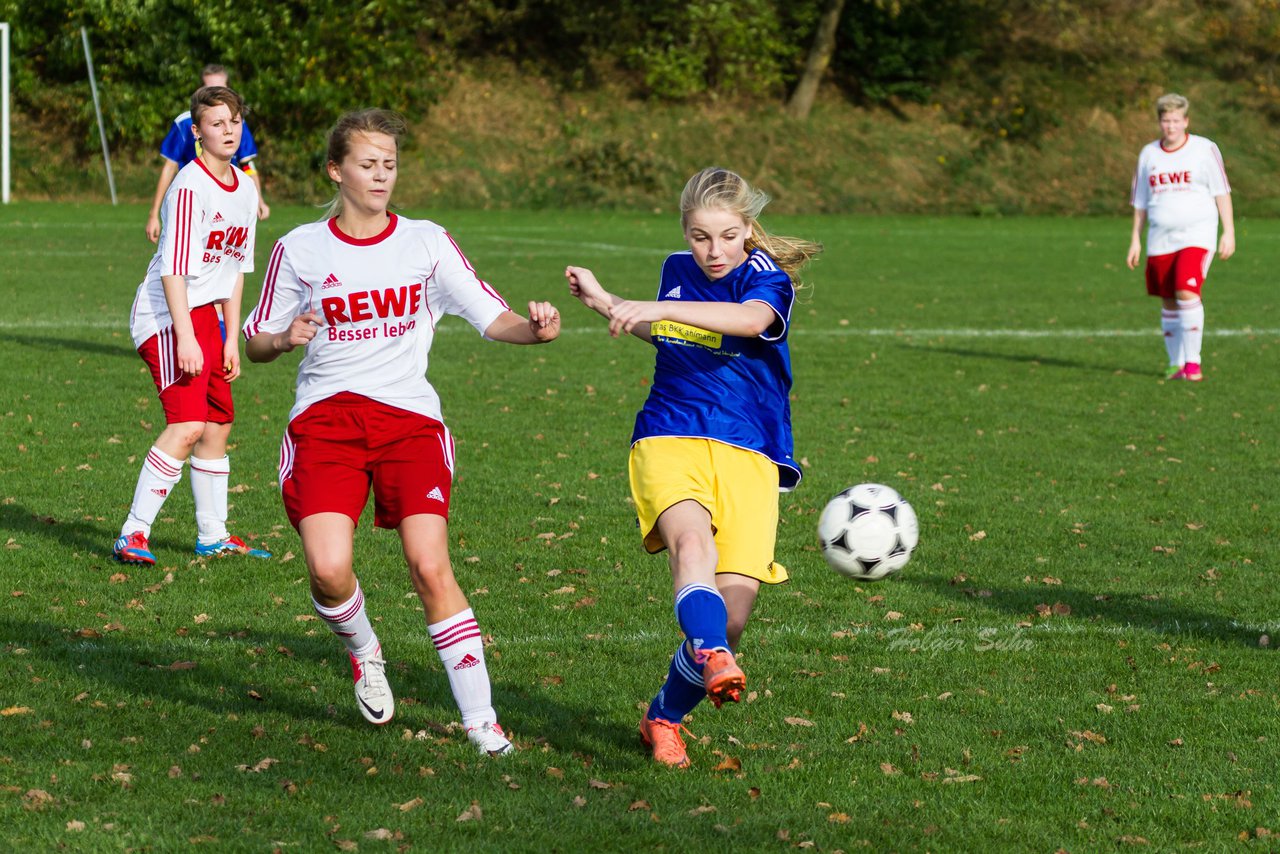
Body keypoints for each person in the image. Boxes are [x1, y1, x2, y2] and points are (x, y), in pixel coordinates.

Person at [241, 109, 560, 755]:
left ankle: (481, 723)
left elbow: (491, 315)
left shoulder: (426, 242)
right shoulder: (299, 247)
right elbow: (254, 342)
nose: (381, 174)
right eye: (367, 163)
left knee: (429, 563)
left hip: (409, 422)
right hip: (325, 423)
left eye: (389, 163)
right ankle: (366, 649)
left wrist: (537, 329)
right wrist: (283, 337)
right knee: (330, 570)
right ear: (337, 170)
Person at [565, 167, 821, 768]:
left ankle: (664, 716)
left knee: (730, 618)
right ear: (686, 230)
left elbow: (750, 323)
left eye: (728, 236)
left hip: (750, 448)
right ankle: (708, 654)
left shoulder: (767, 277)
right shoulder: (676, 269)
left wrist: (643, 304)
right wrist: (609, 305)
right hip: (670, 433)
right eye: (701, 237)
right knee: (691, 547)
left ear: (747, 230)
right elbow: (679, 337)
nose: (714, 251)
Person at [114, 85, 271, 566]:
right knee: (186, 424)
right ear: (198, 133)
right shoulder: (188, 186)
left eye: (235, 121)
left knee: (218, 423)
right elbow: (172, 271)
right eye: (217, 123)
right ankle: (132, 534)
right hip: (167, 313)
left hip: (207, 315)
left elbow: (235, 270)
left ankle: (212, 535)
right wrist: (185, 336)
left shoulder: (245, 187)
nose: (229, 130)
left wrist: (228, 337)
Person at [1126, 92, 1235, 382]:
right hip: (1160, 238)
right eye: (1165, 121)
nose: (1170, 126)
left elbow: (1221, 191)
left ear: (1186, 121)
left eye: (1176, 120)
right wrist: (1135, 239)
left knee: (1187, 290)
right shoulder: (1149, 154)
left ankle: (1193, 364)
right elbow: (1140, 202)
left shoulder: (1204, 149)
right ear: (1159, 123)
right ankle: (1175, 364)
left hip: (1198, 234)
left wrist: (1229, 232)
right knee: (1168, 299)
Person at [146, 64, 270, 243]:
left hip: (228, 200)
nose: (228, 129)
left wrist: (259, 199)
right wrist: (153, 213)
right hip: (195, 200)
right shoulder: (184, 123)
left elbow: (247, 165)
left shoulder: (238, 124)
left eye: (221, 88)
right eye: (210, 88)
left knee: (224, 258)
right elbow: (169, 166)